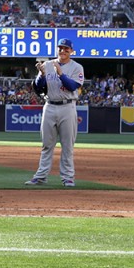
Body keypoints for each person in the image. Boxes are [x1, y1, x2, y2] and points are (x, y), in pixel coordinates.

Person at [25, 38, 84, 187]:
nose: (63, 51)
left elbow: (72, 86)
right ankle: (40, 176)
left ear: (71, 51)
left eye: (66, 49)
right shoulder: (47, 65)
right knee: (46, 144)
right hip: (49, 105)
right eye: (60, 48)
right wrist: (41, 74)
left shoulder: (77, 67)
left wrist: (60, 73)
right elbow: (39, 88)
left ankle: (68, 177)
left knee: (67, 146)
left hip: (67, 107)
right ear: (56, 49)